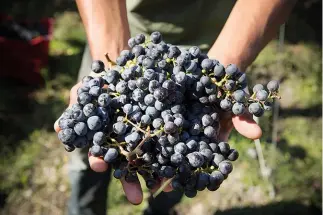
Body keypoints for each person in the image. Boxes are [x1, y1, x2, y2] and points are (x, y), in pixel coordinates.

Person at [54, 0, 296, 214]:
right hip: (124, 32)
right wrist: (112, 50)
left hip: (216, 43)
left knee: (175, 173)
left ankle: (159, 210)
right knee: (90, 162)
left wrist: (227, 62)